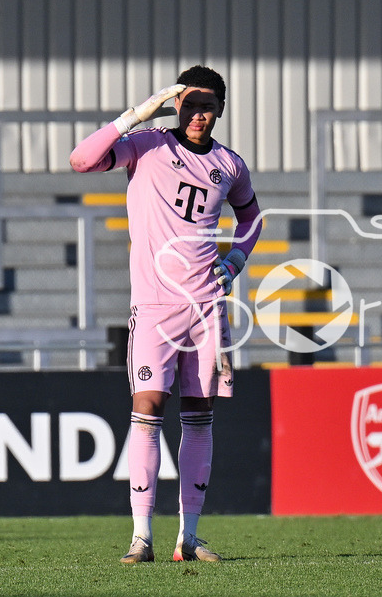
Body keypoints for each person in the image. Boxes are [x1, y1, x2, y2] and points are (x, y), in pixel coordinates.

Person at [70, 65, 261, 563]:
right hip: (155, 306)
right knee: (148, 410)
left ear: (220, 109)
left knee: (199, 418)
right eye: (192, 105)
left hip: (206, 310)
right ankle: (141, 537)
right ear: (178, 104)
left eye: (209, 106)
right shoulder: (148, 144)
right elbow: (81, 160)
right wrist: (137, 114)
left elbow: (252, 217)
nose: (200, 115)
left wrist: (236, 259)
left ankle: (189, 537)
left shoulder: (229, 165)